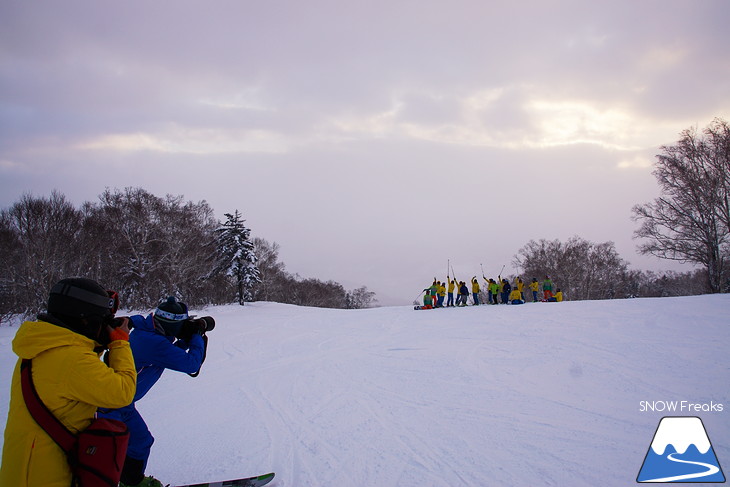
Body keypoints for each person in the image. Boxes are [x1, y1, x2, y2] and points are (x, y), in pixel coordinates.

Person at [0, 278, 136, 487]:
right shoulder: (73, 360)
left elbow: (78, 370)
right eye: (101, 320)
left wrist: (99, 341)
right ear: (85, 320)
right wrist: (119, 343)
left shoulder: (42, 344)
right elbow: (123, 392)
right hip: (48, 475)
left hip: (23, 469)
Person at [98, 296, 208, 487]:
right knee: (108, 452)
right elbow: (191, 364)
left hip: (122, 403)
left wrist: (187, 338)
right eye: (182, 324)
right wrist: (197, 335)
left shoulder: (148, 331)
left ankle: (132, 482)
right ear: (172, 326)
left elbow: (168, 353)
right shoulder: (152, 343)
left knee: (141, 442)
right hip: (109, 404)